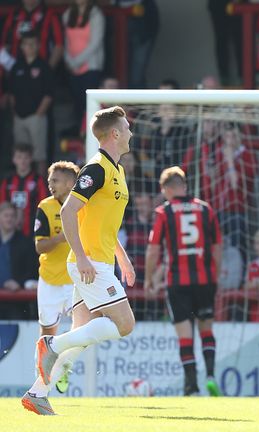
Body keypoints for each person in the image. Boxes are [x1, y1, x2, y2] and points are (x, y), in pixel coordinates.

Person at [22, 106, 136, 415]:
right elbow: (67, 211)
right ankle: (51, 345)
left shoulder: (118, 170)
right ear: (114, 133)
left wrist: (122, 258)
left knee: (81, 337)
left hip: (99, 261)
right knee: (125, 324)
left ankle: (37, 393)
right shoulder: (96, 167)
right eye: (126, 127)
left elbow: (101, 222)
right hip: (90, 264)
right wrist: (83, 258)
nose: (130, 132)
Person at [144, 166, 223, 397]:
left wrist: (148, 278)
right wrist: (214, 275)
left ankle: (191, 387)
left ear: (166, 189)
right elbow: (218, 247)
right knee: (206, 329)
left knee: (185, 335)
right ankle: (210, 375)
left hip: (178, 283)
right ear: (184, 186)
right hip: (205, 280)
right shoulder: (206, 209)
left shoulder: (163, 212)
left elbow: (153, 250)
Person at [33, 161, 79, 393]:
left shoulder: (82, 205)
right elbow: (40, 247)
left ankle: (64, 366)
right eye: (50, 180)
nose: (50, 184)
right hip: (49, 279)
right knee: (47, 334)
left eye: (56, 180)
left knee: (81, 328)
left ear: (71, 183)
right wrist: (61, 239)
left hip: (75, 280)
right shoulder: (45, 206)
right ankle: (39, 382)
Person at [8, 32, 54, 167]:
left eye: (33, 44)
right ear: (21, 46)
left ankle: (41, 185)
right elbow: (11, 92)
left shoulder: (44, 66)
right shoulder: (17, 66)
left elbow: (49, 93)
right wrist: (14, 112)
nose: (30, 47)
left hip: (36, 117)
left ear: (38, 45)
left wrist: (40, 113)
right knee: (21, 153)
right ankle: (22, 182)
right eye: (26, 44)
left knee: (39, 155)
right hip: (19, 117)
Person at [1, 144, 48, 237]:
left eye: (26, 157)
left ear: (31, 159)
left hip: (32, 231)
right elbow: (2, 206)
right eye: (19, 157)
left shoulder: (38, 181)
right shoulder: (7, 181)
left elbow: (44, 205)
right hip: (10, 232)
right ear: (14, 159)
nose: (22, 161)